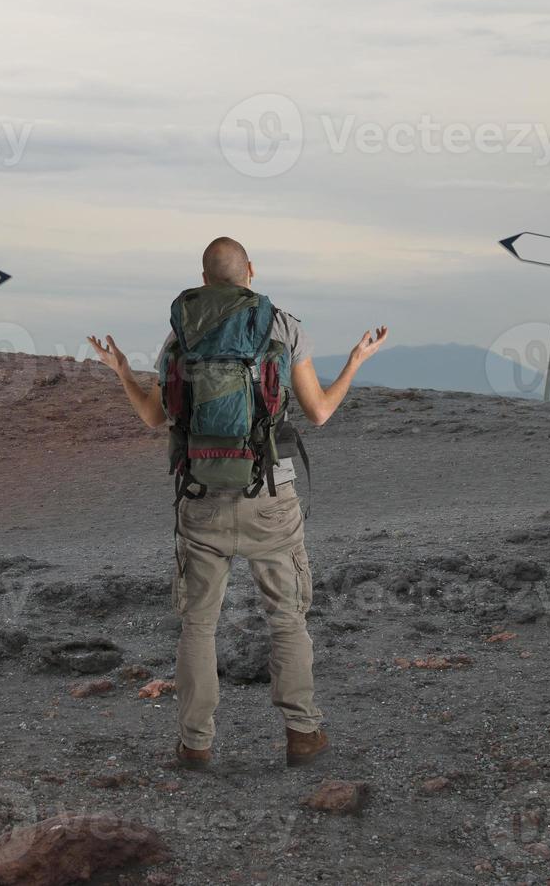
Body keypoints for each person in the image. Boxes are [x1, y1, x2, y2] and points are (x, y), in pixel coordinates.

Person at [87, 237, 388, 769]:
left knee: (199, 625)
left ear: (203, 278)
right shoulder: (283, 326)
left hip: (199, 495)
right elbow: (317, 413)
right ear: (250, 270)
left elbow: (156, 418)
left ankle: (196, 743)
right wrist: (356, 363)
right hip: (270, 493)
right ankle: (302, 734)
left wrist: (120, 372)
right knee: (287, 619)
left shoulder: (180, 334)